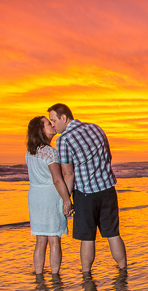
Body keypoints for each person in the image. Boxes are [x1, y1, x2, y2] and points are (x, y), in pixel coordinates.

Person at [48, 103, 128, 273]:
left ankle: (86, 275)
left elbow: (68, 174)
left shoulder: (64, 139)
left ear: (64, 117)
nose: (53, 125)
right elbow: (108, 156)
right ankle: (123, 270)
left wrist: (66, 201)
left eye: (53, 121)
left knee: (87, 238)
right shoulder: (95, 128)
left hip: (86, 194)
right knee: (113, 234)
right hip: (108, 190)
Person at [25, 116, 73, 275]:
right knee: (54, 239)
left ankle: (38, 275)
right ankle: (55, 276)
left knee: (40, 240)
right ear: (40, 130)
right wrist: (67, 200)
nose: (52, 125)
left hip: (35, 197)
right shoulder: (50, 153)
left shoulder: (30, 153)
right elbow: (57, 180)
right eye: (48, 123)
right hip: (49, 197)